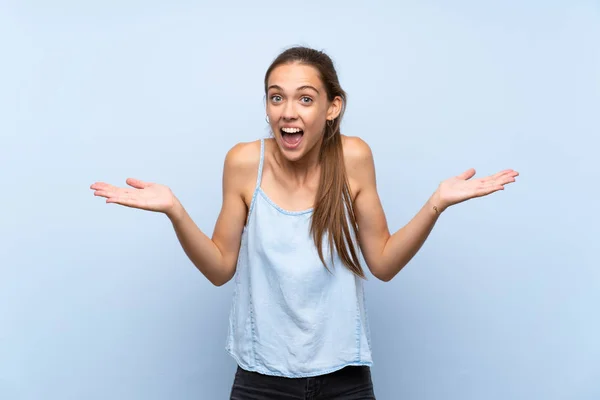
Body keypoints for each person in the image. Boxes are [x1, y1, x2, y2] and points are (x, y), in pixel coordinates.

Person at [90, 46, 518, 399]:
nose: (288, 112)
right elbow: (220, 268)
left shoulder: (353, 158)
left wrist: (436, 204)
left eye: (305, 98)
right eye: (276, 98)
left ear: (333, 107)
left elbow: (383, 263)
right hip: (260, 380)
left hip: (344, 378)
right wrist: (175, 212)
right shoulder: (244, 162)